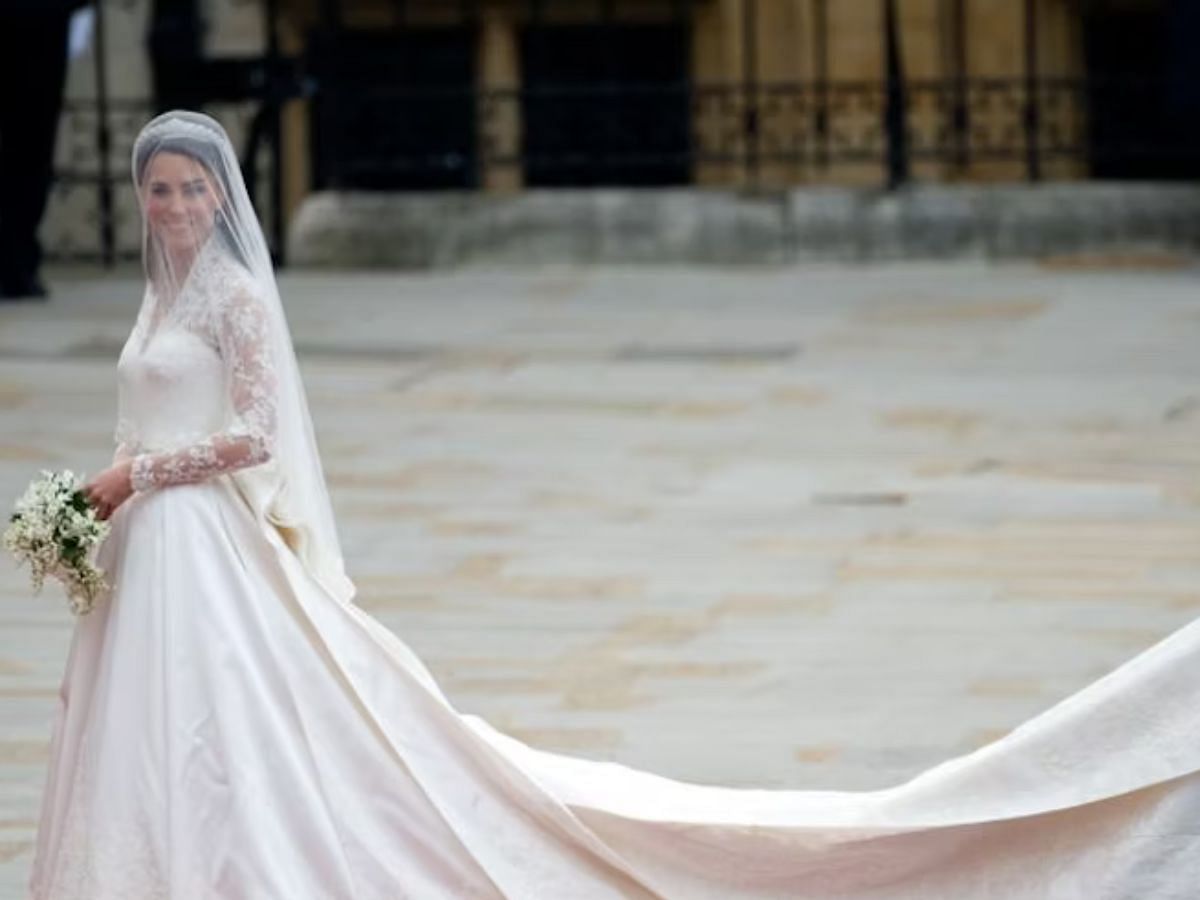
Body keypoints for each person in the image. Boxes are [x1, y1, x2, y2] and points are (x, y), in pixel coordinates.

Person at [27, 110, 1200, 898]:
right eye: (158, 192)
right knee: (146, 714)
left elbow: (259, 435)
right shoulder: (155, 294)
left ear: (218, 198)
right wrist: (101, 500)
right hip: (148, 544)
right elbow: (149, 409)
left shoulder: (231, 294)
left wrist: (140, 477)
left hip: (201, 533)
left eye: (188, 190)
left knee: (233, 709)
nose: (173, 208)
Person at [0, 0, 89, 300]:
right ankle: (17, 261)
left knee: (32, 140)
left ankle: (18, 259)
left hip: (42, 18)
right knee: (30, 140)